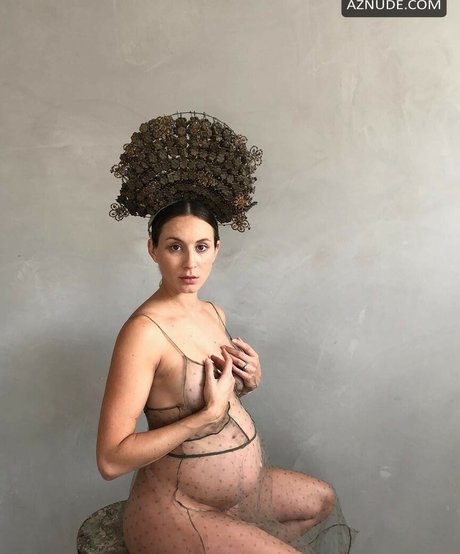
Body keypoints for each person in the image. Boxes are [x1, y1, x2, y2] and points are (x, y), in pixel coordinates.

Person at [97, 112, 355, 553]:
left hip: (238, 498)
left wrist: (246, 383)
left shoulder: (213, 312)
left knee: (321, 500)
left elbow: (208, 396)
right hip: (180, 508)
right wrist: (204, 418)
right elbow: (110, 459)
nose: (190, 263)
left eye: (201, 247)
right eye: (174, 247)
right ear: (153, 250)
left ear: (217, 249)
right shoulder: (144, 334)